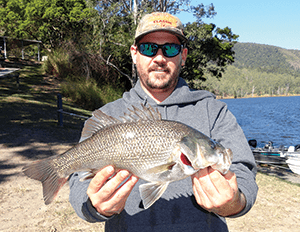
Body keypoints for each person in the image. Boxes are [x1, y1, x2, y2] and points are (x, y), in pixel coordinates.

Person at [69, 12, 258, 231]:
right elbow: (78, 182)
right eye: (148, 48)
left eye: (170, 48)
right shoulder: (107, 115)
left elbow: (243, 172)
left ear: (183, 55)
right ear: (134, 54)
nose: (159, 58)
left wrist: (234, 203)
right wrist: (95, 207)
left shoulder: (213, 110)